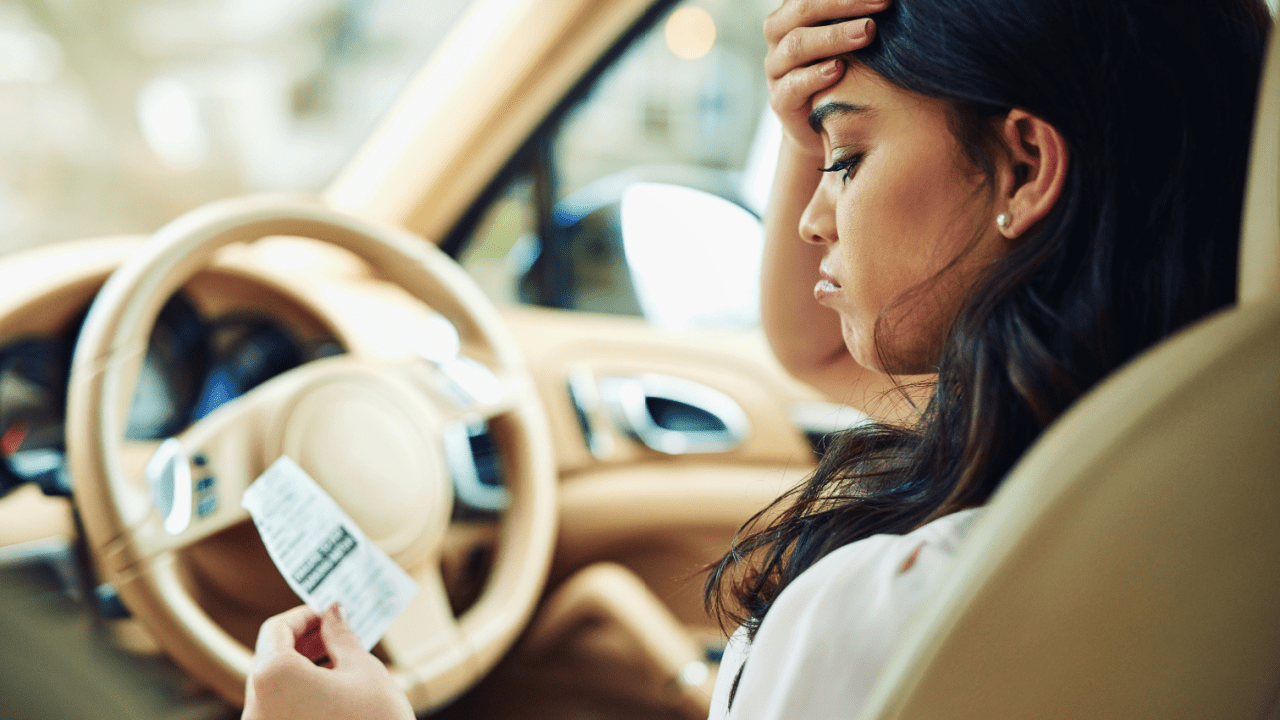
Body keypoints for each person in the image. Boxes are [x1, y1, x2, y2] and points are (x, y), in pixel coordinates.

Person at [241, 0, 1272, 718]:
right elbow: (820, 348)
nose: (818, 216)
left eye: (849, 159)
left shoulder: (887, 604)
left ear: (1023, 163)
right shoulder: (1211, 499)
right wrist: (814, 123)